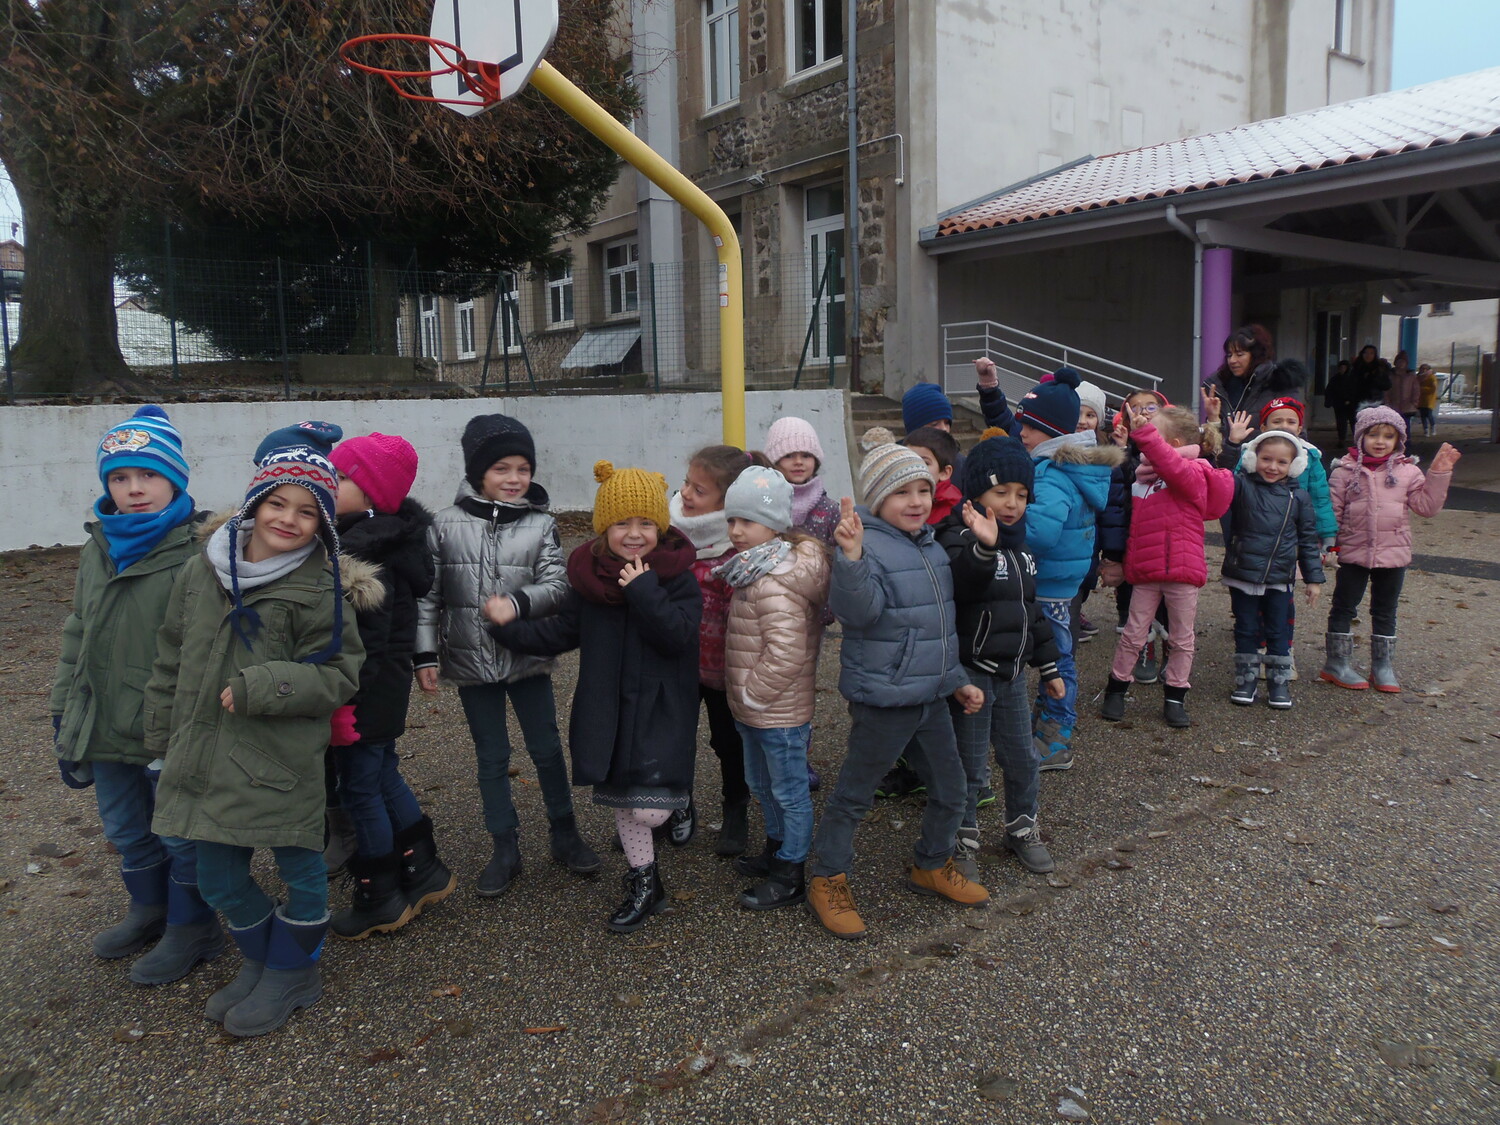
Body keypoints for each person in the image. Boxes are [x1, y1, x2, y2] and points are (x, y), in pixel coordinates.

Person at [146, 424, 366, 1037]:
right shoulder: (202, 571)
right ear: (253, 504)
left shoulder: (321, 588)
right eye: (277, 503)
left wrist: (266, 685)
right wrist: (159, 736)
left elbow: (340, 674)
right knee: (218, 875)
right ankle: (268, 957)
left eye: (307, 511)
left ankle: (293, 971)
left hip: (278, 757)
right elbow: (170, 654)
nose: (288, 519)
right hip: (205, 752)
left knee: (300, 871)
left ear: (323, 524)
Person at [488, 463, 702, 934]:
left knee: (650, 808)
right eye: (622, 523)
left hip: (660, 709)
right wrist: (507, 628)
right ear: (604, 526)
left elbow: (678, 635)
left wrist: (644, 590)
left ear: (661, 527)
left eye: (646, 523)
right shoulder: (591, 582)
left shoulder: (678, 578)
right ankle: (645, 881)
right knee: (625, 801)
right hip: (610, 708)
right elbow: (560, 632)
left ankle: (679, 799)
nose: (634, 533)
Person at [51, 406, 220, 987]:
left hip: (165, 721)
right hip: (103, 718)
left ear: (174, 478)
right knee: (126, 827)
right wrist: (63, 708)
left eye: (148, 474)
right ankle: (150, 909)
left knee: (179, 830)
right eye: (120, 478)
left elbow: (208, 646)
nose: (134, 489)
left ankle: (193, 925)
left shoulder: (199, 552)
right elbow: (79, 628)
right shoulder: (98, 546)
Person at [807, 435, 988, 942]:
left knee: (954, 789)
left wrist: (957, 681)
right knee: (855, 795)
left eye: (923, 490)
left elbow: (938, 630)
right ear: (878, 496)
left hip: (931, 697)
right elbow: (858, 613)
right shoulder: (865, 543)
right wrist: (850, 558)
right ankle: (827, 879)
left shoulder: (931, 547)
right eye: (902, 491)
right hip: (885, 700)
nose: (916, 501)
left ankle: (931, 864)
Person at [415, 414, 598, 899]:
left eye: (523, 468)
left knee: (546, 746)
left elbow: (557, 585)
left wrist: (518, 603)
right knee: (491, 755)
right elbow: (428, 596)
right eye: (501, 468)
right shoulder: (443, 525)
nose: (514, 478)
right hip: (470, 660)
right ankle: (504, 845)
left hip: (526, 654)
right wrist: (424, 654)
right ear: (478, 472)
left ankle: (565, 831)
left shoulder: (541, 524)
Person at [326, 433, 455, 941]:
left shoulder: (364, 551)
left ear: (372, 493)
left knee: (360, 790)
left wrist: (346, 702)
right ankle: (423, 871)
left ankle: (379, 896)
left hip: (363, 695)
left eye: (341, 477)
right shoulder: (380, 538)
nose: (330, 482)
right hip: (383, 692)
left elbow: (368, 643)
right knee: (382, 777)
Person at [935, 432, 1064, 877]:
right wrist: (983, 548)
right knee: (970, 765)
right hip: (972, 674)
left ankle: (1022, 828)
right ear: (976, 493)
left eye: (1021, 494)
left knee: (1023, 757)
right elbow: (964, 585)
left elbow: (1031, 611)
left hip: (1012, 674)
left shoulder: (1023, 549)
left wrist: (1049, 665)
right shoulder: (955, 537)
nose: (1012, 504)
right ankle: (961, 838)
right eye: (1001, 492)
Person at [717, 467, 830, 910]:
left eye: (747, 521)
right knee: (762, 785)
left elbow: (786, 652)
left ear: (774, 524)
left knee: (789, 792)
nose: (736, 530)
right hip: (756, 711)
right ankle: (777, 846)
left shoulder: (775, 580)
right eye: (731, 519)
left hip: (776, 713)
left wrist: (752, 694)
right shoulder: (754, 568)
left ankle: (790, 872)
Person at [1098, 406, 1234, 728]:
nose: (1144, 439)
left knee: (1181, 638)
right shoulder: (1142, 479)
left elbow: (1172, 467)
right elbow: (1133, 527)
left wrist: (1143, 433)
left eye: (1153, 434)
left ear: (1172, 444)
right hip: (1147, 571)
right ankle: (1117, 687)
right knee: (1133, 634)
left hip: (1181, 572)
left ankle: (1175, 694)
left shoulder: (1193, 472)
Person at [1015, 368, 1124, 769]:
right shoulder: (1070, 468)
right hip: (1062, 580)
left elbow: (1040, 533)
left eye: (1029, 426)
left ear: (1050, 430)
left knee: (1057, 662)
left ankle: (1056, 737)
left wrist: (1004, 527)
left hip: (1050, 582)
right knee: (1056, 658)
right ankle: (1044, 722)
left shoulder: (1052, 475)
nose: (1022, 433)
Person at [1320, 408, 1460, 693]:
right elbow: (1332, 512)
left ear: (1398, 440)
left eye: (1388, 436)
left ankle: (1382, 666)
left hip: (1393, 553)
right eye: (1373, 435)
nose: (1380, 441)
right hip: (1352, 552)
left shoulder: (1408, 472)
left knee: (1385, 610)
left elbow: (1427, 507)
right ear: (1361, 437)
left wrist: (1439, 473)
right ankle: (1337, 662)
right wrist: (1328, 546)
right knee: (1344, 606)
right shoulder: (1344, 471)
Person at [668, 445, 759, 855]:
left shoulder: (736, 543)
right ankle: (673, 804)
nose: (686, 494)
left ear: (727, 503)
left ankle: (736, 806)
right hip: (678, 662)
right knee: (674, 739)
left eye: (699, 490)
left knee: (728, 741)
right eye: (686, 482)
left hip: (724, 667)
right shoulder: (669, 529)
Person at [1219, 432, 1326, 708]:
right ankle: (1246, 679)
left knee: (1278, 630)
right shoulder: (1241, 486)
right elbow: (1221, 477)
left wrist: (1313, 579)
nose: (1273, 467)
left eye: (1281, 462)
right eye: (1266, 459)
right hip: (1243, 574)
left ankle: (1279, 682)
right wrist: (1232, 445)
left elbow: (1307, 540)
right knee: (1245, 628)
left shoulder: (1298, 497)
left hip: (1279, 578)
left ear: (1294, 465)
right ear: (1253, 458)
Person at [763, 415, 839, 792]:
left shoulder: (828, 509)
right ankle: (768, 754)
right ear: (773, 460)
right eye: (788, 455)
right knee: (769, 682)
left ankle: (798, 756)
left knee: (802, 688)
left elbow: (837, 561)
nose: (798, 461)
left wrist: (829, 607)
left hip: (810, 617)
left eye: (806, 455)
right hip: (766, 612)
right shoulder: (763, 501)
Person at [1201, 324, 1307, 445]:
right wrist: (1213, 419)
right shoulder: (1220, 385)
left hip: (1266, 455)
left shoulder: (1280, 382)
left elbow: (1298, 435)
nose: (1232, 360)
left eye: (1239, 354)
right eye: (1229, 355)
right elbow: (1213, 446)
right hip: (1228, 455)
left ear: (1256, 355)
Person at [903, 425, 962, 524]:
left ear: (944, 472)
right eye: (908, 460)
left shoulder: (954, 510)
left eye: (925, 463)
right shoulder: (892, 496)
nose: (914, 467)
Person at [1324, 359, 1360, 447]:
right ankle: (1341, 440)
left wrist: (1350, 400)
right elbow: (1329, 390)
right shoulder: (1335, 379)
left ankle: (1357, 440)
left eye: (1344, 367)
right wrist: (1329, 401)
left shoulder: (1353, 378)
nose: (1342, 369)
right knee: (1341, 423)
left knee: (1354, 422)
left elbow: (1356, 391)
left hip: (1352, 405)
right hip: (1339, 404)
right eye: (1341, 368)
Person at [1385, 351, 1421, 437]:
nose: (1401, 364)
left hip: (1407, 407)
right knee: (1393, 428)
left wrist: (1414, 403)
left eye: (1403, 362)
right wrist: (1387, 403)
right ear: (1395, 363)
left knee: (1406, 428)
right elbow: (1386, 391)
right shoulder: (1390, 376)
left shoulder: (1411, 376)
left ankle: (1406, 443)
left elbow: (1416, 391)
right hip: (1393, 406)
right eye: (1399, 361)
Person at [1349, 344, 1391, 408]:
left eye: (1371, 353)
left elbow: (1387, 385)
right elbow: (1350, 385)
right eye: (1366, 353)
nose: (1368, 355)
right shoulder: (1356, 368)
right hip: (1358, 402)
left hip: (1375, 402)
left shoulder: (1379, 368)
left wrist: (1374, 377)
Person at [1417, 364, 1439, 437]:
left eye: (1425, 369)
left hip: (1429, 399)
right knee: (1422, 415)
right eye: (1422, 369)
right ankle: (1425, 429)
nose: (1423, 370)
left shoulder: (1432, 377)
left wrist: (1422, 389)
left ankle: (1433, 427)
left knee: (1429, 414)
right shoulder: (1418, 377)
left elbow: (1433, 388)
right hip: (1420, 399)